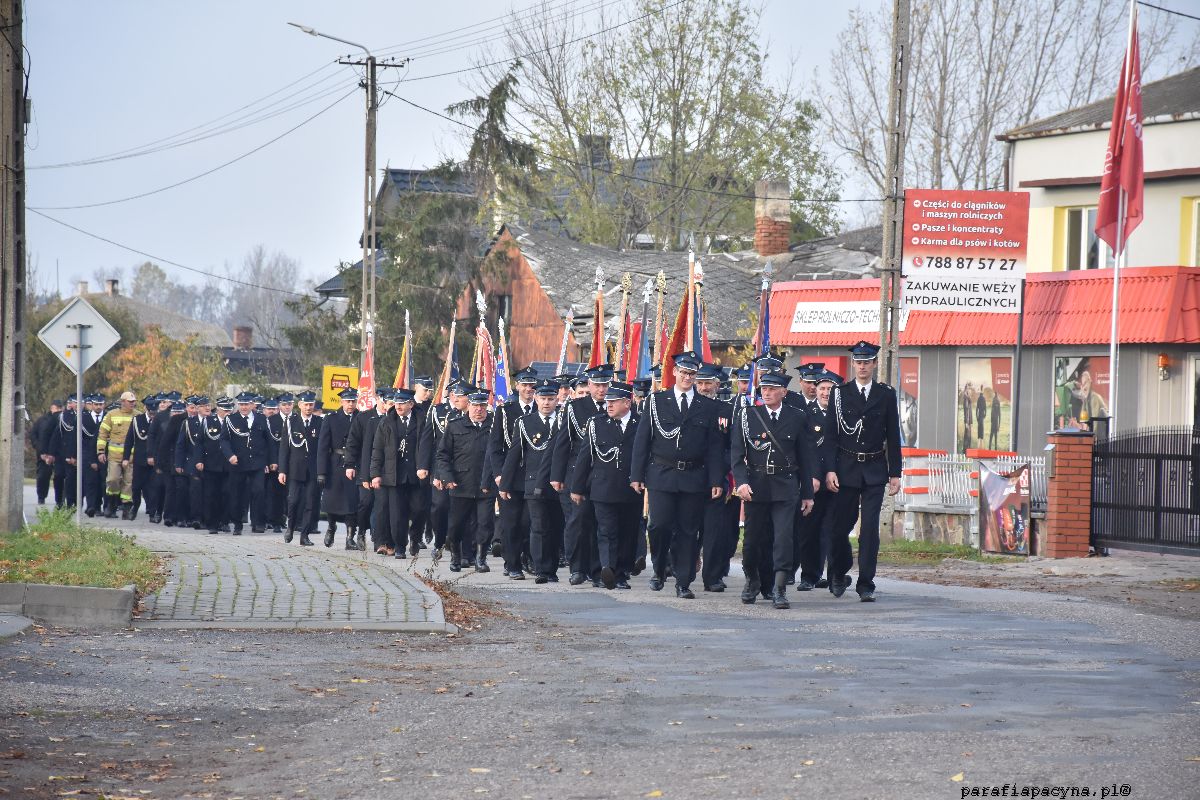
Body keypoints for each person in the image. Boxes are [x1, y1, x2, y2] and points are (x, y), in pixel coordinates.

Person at [630, 350, 726, 599]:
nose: (687, 377)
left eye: (692, 374)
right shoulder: (657, 401)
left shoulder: (707, 406)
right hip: (662, 473)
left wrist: (716, 479)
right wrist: (636, 475)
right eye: (683, 372)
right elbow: (643, 441)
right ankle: (660, 568)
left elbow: (714, 446)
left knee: (687, 530)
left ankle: (683, 581)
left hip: (694, 476)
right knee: (659, 526)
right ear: (674, 372)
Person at [824, 341, 903, 603]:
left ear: (874, 364)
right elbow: (831, 435)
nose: (862, 367)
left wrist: (895, 473)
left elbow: (893, 435)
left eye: (867, 362)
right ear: (853, 364)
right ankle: (837, 572)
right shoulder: (840, 393)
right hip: (845, 469)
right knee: (839, 528)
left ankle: (866, 582)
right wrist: (830, 470)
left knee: (869, 529)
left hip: (874, 469)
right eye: (858, 362)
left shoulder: (885, 394)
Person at [732, 368, 816, 608]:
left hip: (785, 486)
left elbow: (805, 459)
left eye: (771, 389)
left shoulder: (797, 416)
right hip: (756, 485)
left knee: (783, 539)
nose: (766, 393)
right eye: (763, 389)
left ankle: (779, 588)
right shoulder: (747, 416)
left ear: (783, 391)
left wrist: (808, 494)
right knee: (752, 541)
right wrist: (741, 482)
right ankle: (752, 579)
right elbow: (737, 456)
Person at [570, 381, 641, 590]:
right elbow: (585, 457)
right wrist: (577, 487)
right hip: (603, 488)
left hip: (631, 489)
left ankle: (621, 572)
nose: (608, 405)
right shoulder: (596, 423)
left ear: (627, 403)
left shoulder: (641, 423)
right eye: (607, 401)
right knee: (606, 531)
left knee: (627, 532)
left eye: (614, 401)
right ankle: (607, 570)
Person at [551, 364, 610, 587]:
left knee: (599, 524)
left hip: (605, 476)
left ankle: (597, 571)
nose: (602, 390)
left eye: (605, 384)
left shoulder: (615, 405)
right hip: (578, 474)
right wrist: (557, 475)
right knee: (578, 523)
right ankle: (577, 568)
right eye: (597, 385)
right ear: (589, 385)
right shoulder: (576, 408)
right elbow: (563, 443)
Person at [500, 379, 563, 584]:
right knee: (538, 526)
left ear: (557, 399)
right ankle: (541, 569)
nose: (546, 403)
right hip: (533, 482)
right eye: (543, 398)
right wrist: (505, 484)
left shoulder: (564, 421)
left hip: (559, 482)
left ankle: (552, 568)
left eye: (551, 399)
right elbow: (514, 454)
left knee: (556, 526)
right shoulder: (525, 423)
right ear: (535, 398)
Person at [435, 386, 495, 572]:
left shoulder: (495, 426)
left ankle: (480, 558)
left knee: (485, 524)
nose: (479, 409)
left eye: (483, 406)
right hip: (461, 484)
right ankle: (456, 555)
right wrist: (447, 477)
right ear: (468, 406)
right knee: (456, 525)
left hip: (486, 484)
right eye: (475, 405)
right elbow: (442, 455)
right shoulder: (455, 426)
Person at [488, 366, 538, 578]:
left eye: (531, 385)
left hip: (533, 475)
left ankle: (528, 557)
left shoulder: (541, 409)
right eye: (525, 385)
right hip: (511, 475)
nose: (528, 389)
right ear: (517, 386)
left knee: (529, 521)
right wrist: (499, 474)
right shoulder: (505, 411)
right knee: (511, 522)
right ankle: (512, 564)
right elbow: (495, 446)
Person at [796, 369, 840, 589]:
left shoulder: (842, 414)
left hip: (836, 482)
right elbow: (807, 449)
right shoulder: (806, 413)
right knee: (809, 531)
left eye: (829, 389)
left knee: (833, 530)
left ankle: (834, 577)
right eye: (822, 388)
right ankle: (809, 575)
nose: (825, 392)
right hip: (813, 482)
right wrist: (811, 475)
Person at [370, 388, 424, 558]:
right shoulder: (386, 422)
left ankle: (415, 538)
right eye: (397, 402)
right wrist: (375, 474)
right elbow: (377, 449)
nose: (398, 406)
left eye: (402, 403)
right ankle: (400, 546)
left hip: (417, 475)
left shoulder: (422, 421)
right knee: (397, 514)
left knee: (419, 509)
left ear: (411, 404)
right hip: (394, 475)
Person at [419, 378, 466, 558]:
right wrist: (424, 466)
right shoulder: (438, 411)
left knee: (459, 510)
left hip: (463, 468)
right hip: (441, 466)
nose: (456, 397)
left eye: (460, 394)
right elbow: (427, 440)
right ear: (449, 394)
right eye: (453, 393)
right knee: (439, 506)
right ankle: (439, 542)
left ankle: (456, 546)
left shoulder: (469, 412)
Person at [220, 391, 273, 535]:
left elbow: (268, 442)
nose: (244, 407)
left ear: (252, 404)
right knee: (237, 495)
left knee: (259, 492)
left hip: (257, 463)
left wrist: (270, 461)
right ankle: (237, 524)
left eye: (246, 404)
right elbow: (223, 440)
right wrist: (230, 455)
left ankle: (258, 523)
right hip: (238, 463)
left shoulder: (261, 418)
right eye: (241, 404)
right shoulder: (231, 419)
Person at [346, 389, 391, 553]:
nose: (388, 404)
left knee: (381, 505)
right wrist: (350, 465)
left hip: (384, 471)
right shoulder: (365, 417)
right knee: (365, 503)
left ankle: (379, 540)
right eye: (386, 400)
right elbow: (353, 443)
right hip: (365, 468)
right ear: (378, 399)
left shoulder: (391, 419)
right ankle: (361, 531)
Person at [316, 388, 361, 549]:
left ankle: (350, 537)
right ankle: (331, 526)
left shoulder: (361, 417)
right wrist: (321, 472)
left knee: (352, 502)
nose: (351, 404)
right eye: (348, 401)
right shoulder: (331, 418)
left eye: (353, 401)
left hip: (354, 464)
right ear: (342, 402)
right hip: (334, 464)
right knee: (332, 501)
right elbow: (323, 446)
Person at [279, 391, 323, 546]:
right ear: (299, 405)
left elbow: (323, 448)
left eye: (311, 404)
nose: (309, 407)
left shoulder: (319, 422)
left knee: (310, 503)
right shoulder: (291, 422)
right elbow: (284, 448)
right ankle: (290, 527)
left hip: (313, 470)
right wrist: (282, 470)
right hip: (295, 469)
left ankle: (304, 535)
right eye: (306, 404)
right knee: (293, 501)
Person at [190, 396, 229, 534]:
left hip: (228, 465)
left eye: (229, 409)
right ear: (218, 409)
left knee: (226, 494)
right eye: (225, 410)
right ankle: (212, 523)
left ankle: (224, 522)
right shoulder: (208, 421)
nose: (227, 412)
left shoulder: (233, 422)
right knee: (211, 495)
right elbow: (199, 443)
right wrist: (198, 460)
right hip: (211, 464)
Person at [122, 394, 159, 520]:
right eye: (151, 412)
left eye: (155, 412)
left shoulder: (161, 420)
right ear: (146, 409)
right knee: (137, 486)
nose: (153, 414)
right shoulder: (137, 420)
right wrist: (126, 458)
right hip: (140, 459)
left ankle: (152, 513)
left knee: (153, 487)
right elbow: (129, 440)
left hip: (156, 461)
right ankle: (135, 506)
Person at [263, 396, 287, 533]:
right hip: (275, 463)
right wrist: (270, 461)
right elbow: (267, 444)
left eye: (290, 404)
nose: (287, 407)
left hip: (290, 463)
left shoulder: (294, 419)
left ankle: (282, 519)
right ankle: (272, 520)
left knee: (286, 495)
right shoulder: (270, 421)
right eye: (285, 404)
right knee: (273, 493)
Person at [30, 400, 61, 506]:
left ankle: (60, 499)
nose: (58, 411)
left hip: (58, 452)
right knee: (43, 475)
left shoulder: (61, 420)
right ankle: (41, 496)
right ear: (52, 408)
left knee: (59, 476)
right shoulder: (42, 420)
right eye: (57, 408)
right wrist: (39, 449)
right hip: (43, 452)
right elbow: (34, 434)